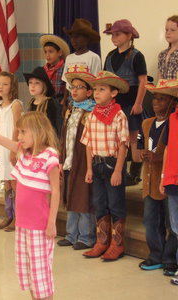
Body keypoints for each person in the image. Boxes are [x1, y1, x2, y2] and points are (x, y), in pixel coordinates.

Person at [0, 105, 60, 300]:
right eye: (19, 132)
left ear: (39, 131)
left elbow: (56, 191)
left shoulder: (49, 156)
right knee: (31, 274)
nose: (19, 136)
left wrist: (51, 223)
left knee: (41, 277)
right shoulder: (22, 151)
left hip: (39, 227)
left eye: (23, 132)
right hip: (23, 225)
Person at [81, 71, 130, 261]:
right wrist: (89, 168)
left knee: (116, 204)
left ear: (114, 93)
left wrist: (118, 170)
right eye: (95, 89)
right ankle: (102, 242)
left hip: (112, 165)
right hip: (97, 164)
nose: (96, 93)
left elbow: (123, 145)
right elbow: (88, 144)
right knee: (99, 204)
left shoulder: (119, 115)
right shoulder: (92, 115)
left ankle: (117, 244)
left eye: (102, 89)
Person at [138, 80, 178, 276]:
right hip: (149, 180)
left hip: (167, 180)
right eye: (155, 98)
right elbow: (137, 153)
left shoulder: (174, 122)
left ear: (172, 102)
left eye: (162, 99)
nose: (156, 102)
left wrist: (158, 157)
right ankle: (155, 255)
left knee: (172, 223)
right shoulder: (146, 123)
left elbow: (172, 150)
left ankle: (169, 259)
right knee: (150, 220)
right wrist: (145, 155)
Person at [103, 19, 147, 186]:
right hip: (114, 105)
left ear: (129, 35)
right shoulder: (110, 55)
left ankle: (134, 174)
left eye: (118, 34)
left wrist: (138, 103)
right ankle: (118, 169)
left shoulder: (137, 56)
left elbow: (142, 82)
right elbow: (106, 80)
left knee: (132, 139)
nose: (114, 37)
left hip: (131, 104)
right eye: (112, 34)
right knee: (116, 139)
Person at [57, 71, 96, 250]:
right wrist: (60, 158)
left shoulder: (92, 111)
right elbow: (64, 136)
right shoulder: (70, 110)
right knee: (71, 196)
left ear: (89, 92)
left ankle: (86, 237)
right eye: (72, 87)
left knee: (83, 199)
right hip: (69, 159)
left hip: (82, 160)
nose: (74, 90)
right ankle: (71, 234)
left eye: (79, 87)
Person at [0, 71, 22, 232]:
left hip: (12, 146)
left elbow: (17, 127)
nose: (1, 87)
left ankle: (18, 217)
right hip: (2, 147)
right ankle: (9, 214)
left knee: (15, 182)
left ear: (12, 87)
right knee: (7, 182)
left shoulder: (15, 104)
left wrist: (13, 149)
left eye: (5, 84)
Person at [160, 79, 178, 286]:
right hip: (172, 177)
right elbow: (167, 148)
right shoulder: (172, 117)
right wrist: (164, 176)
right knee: (175, 225)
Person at [61, 19, 102, 106]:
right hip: (71, 99)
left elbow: (95, 82)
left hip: (88, 100)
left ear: (87, 39)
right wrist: (64, 101)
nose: (73, 40)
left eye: (77, 37)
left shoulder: (93, 57)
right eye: (72, 37)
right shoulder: (69, 58)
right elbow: (66, 82)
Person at [40, 34, 70, 132]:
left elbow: (67, 86)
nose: (47, 55)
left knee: (58, 128)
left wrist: (64, 102)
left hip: (59, 102)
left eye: (51, 51)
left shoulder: (64, 67)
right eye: (45, 52)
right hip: (46, 102)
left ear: (60, 52)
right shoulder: (44, 69)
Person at [23, 67, 58, 134]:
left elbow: (52, 127)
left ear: (44, 86)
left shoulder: (49, 103)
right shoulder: (31, 102)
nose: (32, 86)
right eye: (30, 82)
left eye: (37, 83)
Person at [158, 15, 178, 80]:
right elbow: (160, 77)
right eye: (166, 30)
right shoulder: (162, 54)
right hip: (165, 89)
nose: (168, 33)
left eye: (172, 30)